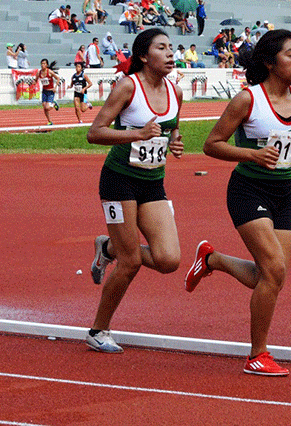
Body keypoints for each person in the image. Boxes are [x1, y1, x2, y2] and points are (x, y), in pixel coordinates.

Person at [185, 29, 291, 376]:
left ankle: (212, 259)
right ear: (269, 62)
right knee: (274, 270)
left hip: (284, 192)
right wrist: (252, 154)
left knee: (269, 277)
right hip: (248, 190)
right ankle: (257, 354)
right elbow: (212, 144)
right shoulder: (248, 100)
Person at [85, 28, 184, 353]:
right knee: (131, 262)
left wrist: (174, 143)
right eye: (162, 48)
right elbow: (95, 133)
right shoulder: (128, 86)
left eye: (171, 47)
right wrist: (136, 134)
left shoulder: (176, 92)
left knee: (168, 260)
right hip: (119, 180)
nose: (170, 53)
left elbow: (171, 130)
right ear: (144, 56)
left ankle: (109, 249)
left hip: (152, 181)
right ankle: (99, 330)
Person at [35, 59, 61, 126]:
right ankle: (50, 121)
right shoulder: (39, 73)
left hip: (50, 91)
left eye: (44, 64)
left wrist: (55, 87)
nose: (42, 65)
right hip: (44, 91)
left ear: (46, 65)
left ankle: (54, 104)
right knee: (44, 106)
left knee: (47, 107)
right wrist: (32, 84)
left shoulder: (49, 72)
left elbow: (58, 78)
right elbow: (35, 80)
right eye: (41, 63)